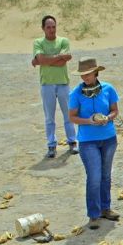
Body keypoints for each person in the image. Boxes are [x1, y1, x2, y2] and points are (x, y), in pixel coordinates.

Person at [68, 58, 120, 230]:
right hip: (87, 141)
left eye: (88, 74)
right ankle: (94, 215)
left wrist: (108, 118)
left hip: (109, 139)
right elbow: (72, 117)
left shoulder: (108, 89)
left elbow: (114, 110)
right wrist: (89, 121)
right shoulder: (76, 94)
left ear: (96, 72)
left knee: (106, 175)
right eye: (82, 74)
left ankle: (106, 208)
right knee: (94, 177)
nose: (85, 77)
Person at [32, 15, 77, 158]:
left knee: (68, 114)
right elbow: (41, 59)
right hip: (47, 84)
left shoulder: (63, 41)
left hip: (63, 83)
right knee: (49, 117)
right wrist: (54, 58)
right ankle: (51, 145)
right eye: (48, 27)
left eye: (53, 27)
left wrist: (45, 61)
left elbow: (64, 61)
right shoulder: (38, 42)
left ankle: (72, 142)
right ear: (43, 28)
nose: (51, 30)